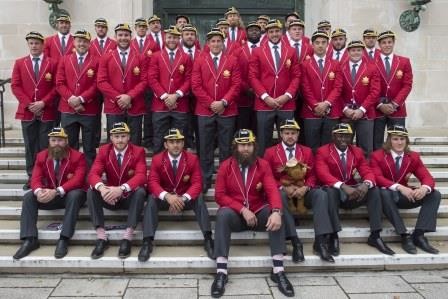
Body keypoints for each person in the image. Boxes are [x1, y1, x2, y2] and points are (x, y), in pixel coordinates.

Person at [212, 129, 294, 298]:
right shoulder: (225, 166)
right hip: (236, 214)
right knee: (222, 215)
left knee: (276, 212)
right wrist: (242, 209)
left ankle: (278, 270)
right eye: (242, 145)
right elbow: (219, 196)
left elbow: (272, 190)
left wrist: (277, 211)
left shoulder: (262, 164)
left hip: (257, 211)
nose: (246, 149)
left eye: (249, 145)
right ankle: (221, 271)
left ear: (254, 146)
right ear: (235, 147)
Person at [315, 123, 395, 256]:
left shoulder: (356, 151)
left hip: (353, 192)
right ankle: (334, 235)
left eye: (347, 136)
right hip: (335, 193)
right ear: (333, 136)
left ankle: (375, 235)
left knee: (374, 190)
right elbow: (322, 174)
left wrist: (366, 184)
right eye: (340, 136)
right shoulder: (323, 151)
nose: (343, 139)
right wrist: (343, 186)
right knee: (329, 191)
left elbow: (367, 171)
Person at [140, 128, 214, 261]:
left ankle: (208, 239)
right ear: (165, 144)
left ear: (183, 143)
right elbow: (152, 183)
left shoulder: (192, 159)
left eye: (178, 142)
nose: (175, 145)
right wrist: (168, 197)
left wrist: (182, 199)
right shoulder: (157, 159)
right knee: (152, 199)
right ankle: (147, 241)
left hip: (185, 198)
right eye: (172, 142)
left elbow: (197, 183)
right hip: (166, 199)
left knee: (199, 199)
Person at [13, 127, 87, 259]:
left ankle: (64, 238)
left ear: (66, 141)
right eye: (53, 140)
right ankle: (30, 239)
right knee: (29, 196)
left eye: (60, 140)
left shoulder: (78, 156)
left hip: (69, 196)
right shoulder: (42, 156)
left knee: (75, 194)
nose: (56, 143)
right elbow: (35, 178)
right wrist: (39, 191)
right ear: (49, 141)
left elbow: (78, 180)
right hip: (50, 196)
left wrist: (56, 191)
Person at [264, 119, 332, 262]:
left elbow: (313, 174)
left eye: (293, 133)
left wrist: (306, 187)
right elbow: (267, 177)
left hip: (303, 192)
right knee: (280, 195)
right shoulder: (270, 152)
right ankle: (295, 242)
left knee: (320, 194)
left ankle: (320, 241)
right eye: (287, 133)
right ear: (281, 134)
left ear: (298, 134)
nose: (290, 136)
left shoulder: (306, 151)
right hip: (284, 192)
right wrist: (283, 186)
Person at [371, 125, 441, 254]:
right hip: (386, 198)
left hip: (405, 196)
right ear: (389, 140)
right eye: (395, 139)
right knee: (383, 192)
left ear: (406, 141)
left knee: (434, 194)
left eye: (402, 139)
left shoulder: (413, 156)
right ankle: (404, 235)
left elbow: (427, 177)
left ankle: (419, 234)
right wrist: (399, 187)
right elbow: (377, 178)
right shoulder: (377, 156)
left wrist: (424, 188)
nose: (399, 142)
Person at [191, 28, 241, 194]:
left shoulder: (232, 60)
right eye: (213, 41)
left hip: (227, 110)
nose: (216, 44)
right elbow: (196, 86)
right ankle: (205, 179)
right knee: (205, 147)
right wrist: (211, 103)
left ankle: (225, 180)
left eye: (219, 41)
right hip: (205, 111)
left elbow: (236, 84)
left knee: (227, 148)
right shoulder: (199, 60)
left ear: (223, 43)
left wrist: (224, 102)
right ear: (208, 43)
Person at [87, 122, 147, 259]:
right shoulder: (103, 151)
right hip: (110, 198)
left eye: (123, 136)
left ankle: (128, 237)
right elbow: (93, 174)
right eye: (116, 136)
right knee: (91, 191)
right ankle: (102, 237)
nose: (120, 140)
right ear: (111, 138)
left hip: (128, 197)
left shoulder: (138, 151)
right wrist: (102, 189)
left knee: (140, 192)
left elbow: (141, 175)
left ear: (128, 137)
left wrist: (121, 189)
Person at [11, 31, 58, 190]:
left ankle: (45, 176)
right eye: (31, 43)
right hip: (27, 111)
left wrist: (43, 103)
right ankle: (32, 177)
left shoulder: (52, 63)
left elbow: (56, 86)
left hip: (47, 111)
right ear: (28, 45)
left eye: (37, 43)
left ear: (43, 45)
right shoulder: (19, 63)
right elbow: (15, 86)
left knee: (46, 146)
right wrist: (30, 104)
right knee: (30, 146)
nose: (34, 46)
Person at [248, 19, 300, 156]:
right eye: (271, 32)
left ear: (282, 32)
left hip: (286, 104)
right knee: (264, 140)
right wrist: (265, 97)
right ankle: (263, 170)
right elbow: (253, 77)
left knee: (288, 140)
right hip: (264, 104)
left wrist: (287, 95)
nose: (274, 34)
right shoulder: (258, 51)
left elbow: (296, 76)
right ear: (267, 34)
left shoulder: (291, 51)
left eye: (277, 31)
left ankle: (286, 168)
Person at [97, 23, 147, 145]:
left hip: (134, 106)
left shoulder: (140, 57)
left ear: (131, 37)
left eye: (126, 35)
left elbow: (144, 81)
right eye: (120, 35)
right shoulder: (106, 57)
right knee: (114, 142)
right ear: (115, 36)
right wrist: (118, 98)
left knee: (135, 142)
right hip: (114, 106)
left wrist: (129, 96)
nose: (123, 38)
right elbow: (101, 81)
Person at [56, 29, 100, 166]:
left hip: (89, 109)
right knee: (69, 145)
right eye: (79, 41)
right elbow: (59, 83)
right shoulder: (64, 59)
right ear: (74, 42)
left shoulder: (97, 61)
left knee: (89, 147)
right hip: (68, 109)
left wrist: (81, 99)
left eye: (85, 41)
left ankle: (89, 176)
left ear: (89, 43)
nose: (82, 44)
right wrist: (72, 99)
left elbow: (96, 84)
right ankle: (71, 172)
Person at [147, 25, 192, 153]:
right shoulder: (156, 56)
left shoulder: (186, 57)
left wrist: (176, 95)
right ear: (165, 38)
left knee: (179, 140)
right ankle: (159, 170)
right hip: (160, 105)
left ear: (179, 39)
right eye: (169, 37)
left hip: (180, 104)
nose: (172, 40)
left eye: (175, 38)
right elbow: (152, 79)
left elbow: (189, 79)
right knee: (159, 140)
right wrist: (165, 96)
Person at [300, 30, 342, 152]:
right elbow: (304, 87)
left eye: (323, 42)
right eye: (317, 42)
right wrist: (315, 105)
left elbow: (338, 87)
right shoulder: (304, 65)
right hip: (311, 112)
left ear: (327, 45)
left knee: (329, 147)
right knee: (311, 146)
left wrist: (326, 103)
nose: (320, 45)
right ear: (312, 45)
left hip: (332, 111)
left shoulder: (336, 64)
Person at [373, 30, 413, 150]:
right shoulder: (372, 63)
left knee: (398, 142)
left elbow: (407, 85)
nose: (387, 45)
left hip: (397, 109)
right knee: (377, 142)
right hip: (377, 109)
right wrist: (380, 104)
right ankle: (377, 167)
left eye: (389, 42)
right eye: (384, 42)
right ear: (379, 45)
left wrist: (394, 104)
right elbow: (371, 87)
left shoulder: (404, 62)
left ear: (394, 43)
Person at [340, 40, 381, 156]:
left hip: (366, 114)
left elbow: (375, 92)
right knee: (344, 146)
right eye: (353, 50)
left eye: (359, 50)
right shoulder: (340, 67)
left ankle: (365, 173)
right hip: (346, 114)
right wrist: (345, 109)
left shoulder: (372, 68)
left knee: (366, 148)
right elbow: (337, 91)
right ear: (348, 52)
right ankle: (347, 172)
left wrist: (362, 109)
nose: (356, 53)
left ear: (363, 52)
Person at [90, 18, 117, 148]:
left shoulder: (114, 44)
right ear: (95, 28)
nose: (100, 29)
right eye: (98, 26)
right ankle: (95, 139)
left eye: (103, 27)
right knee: (94, 113)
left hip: (109, 84)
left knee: (110, 113)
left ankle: (110, 138)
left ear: (107, 29)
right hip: (93, 85)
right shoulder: (90, 44)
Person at [233, 21, 261, 132]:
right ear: (246, 33)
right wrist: (246, 88)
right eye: (251, 30)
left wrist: (258, 90)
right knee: (242, 129)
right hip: (242, 98)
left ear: (260, 33)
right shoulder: (237, 52)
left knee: (259, 131)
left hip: (262, 98)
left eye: (256, 30)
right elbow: (235, 73)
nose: (254, 32)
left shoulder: (265, 50)